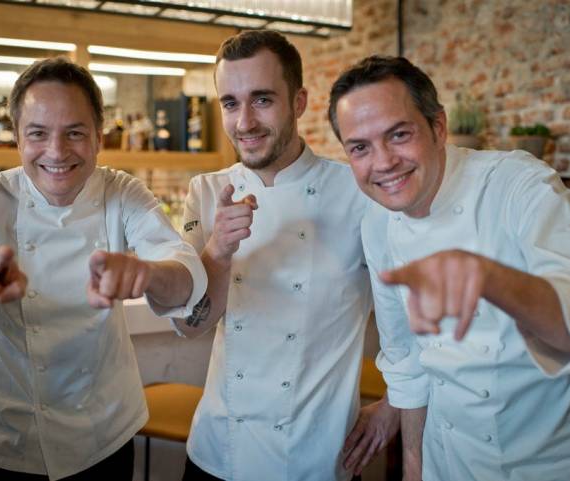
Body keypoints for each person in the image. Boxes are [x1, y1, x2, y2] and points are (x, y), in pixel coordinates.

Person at [328, 55, 570, 480]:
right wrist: (414, 469)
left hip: (554, 465)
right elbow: (407, 361)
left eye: (399, 135)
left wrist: (491, 279)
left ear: (438, 127)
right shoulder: (378, 222)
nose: (382, 163)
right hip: (450, 461)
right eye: (359, 148)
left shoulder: (517, 185)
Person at [0, 57, 207, 481]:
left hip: (103, 435)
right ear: (16, 137)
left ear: (98, 138)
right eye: (37, 133)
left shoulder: (122, 193)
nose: (56, 152)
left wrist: (148, 274)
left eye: (75, 133)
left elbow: (183, 272)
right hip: (4, 440)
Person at [172, 30, 414, 481]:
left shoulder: (358, 193)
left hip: (316, 456)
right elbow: (189, 325)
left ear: (299, 102)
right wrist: (218, 252)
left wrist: (396, 405)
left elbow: (414, 313)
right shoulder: (205, 193)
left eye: (262, 99)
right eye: (229, 102)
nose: (244, 121)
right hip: (217, 451)